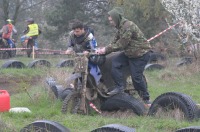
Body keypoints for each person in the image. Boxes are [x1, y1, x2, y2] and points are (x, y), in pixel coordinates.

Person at [96, 7, 152, 106]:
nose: (110, 22)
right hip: (129, 54)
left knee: (137, 78)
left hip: (140, 54)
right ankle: (120, 87)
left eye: (111, 20)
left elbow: (121, 44)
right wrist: (102, 50)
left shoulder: (128, 26)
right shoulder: (120, 27)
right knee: (115, 63)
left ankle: (146, 99)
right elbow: (114, 41)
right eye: (109, 21)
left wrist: (106, 50)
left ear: (116, 18)